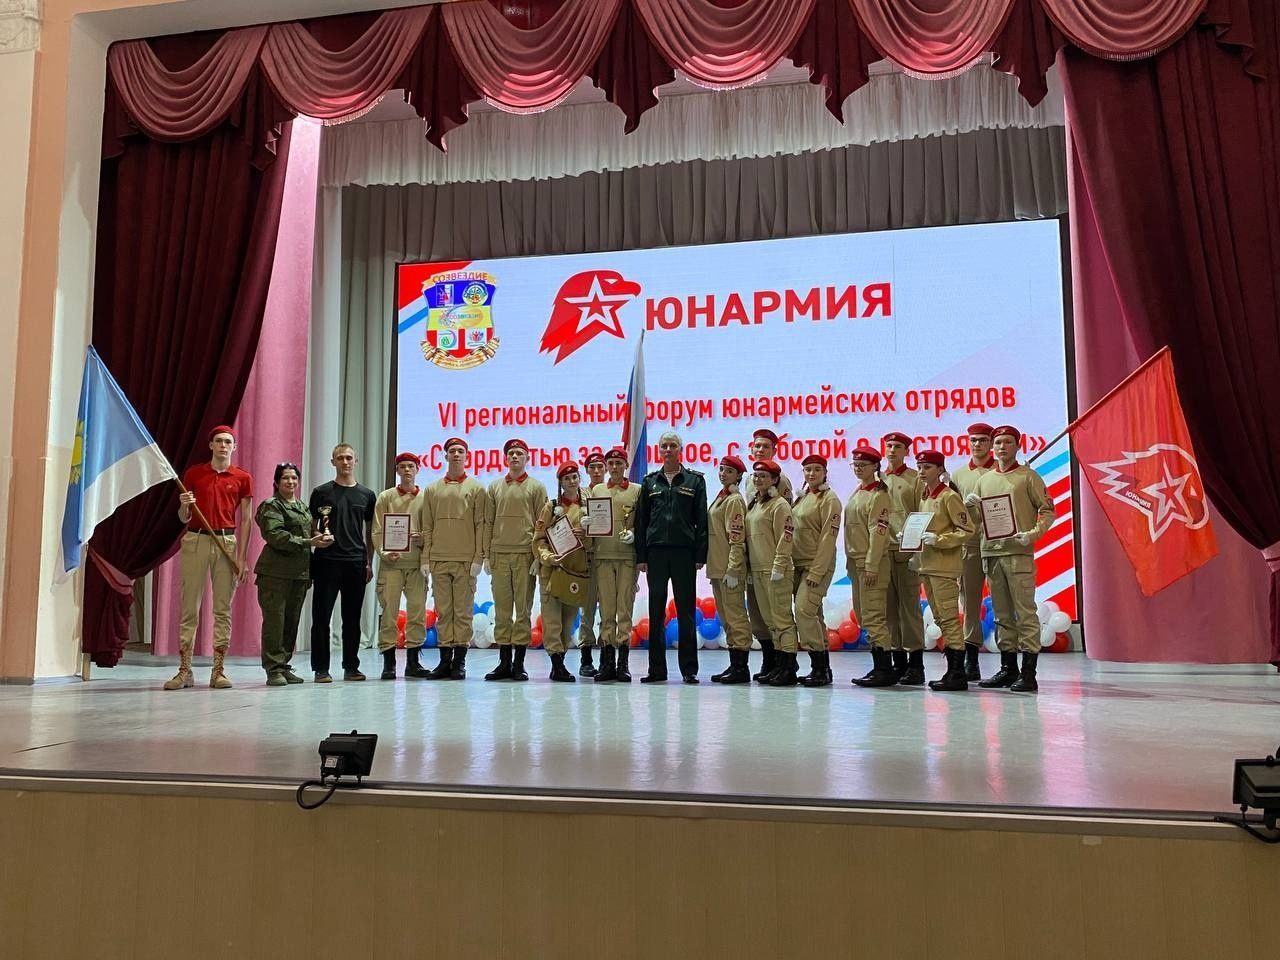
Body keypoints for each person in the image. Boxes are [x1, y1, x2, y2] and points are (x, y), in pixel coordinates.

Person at [165, 425, 253, 691]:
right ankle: (185, 670)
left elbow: (246, 519)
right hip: (196, 539)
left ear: (234, 447)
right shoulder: (194, 473)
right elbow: (184, 517)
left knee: (222, 608)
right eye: (219, 441)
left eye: (228, 442)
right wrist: (184, 504)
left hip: (226, 542)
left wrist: (242, 558)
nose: (223, 445)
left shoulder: (242, 477)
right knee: (189, 606)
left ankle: (218, 670)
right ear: (211, 445)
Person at [971, 425, 1056, 692]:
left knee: (1025, 613)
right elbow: (976, 522)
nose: (1001, 447)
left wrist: (1032, 535)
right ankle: (1008, 669)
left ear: (1018, 446)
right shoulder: (984, 480)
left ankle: (1029, 673)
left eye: (1008, 442)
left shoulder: (1028, 477)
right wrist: (970, 508)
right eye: (998, 443)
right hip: (991, 552)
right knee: (1002, 614)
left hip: (1018, 553)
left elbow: (1047, 510)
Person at [634, 431, 708, 683]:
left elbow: (702, 521)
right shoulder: (649, 482)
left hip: (684, 553)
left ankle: (689, 670)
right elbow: (641, 521)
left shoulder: (695, 481)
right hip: (655, 553)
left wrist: (700, 554)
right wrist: (641, 556)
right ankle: (656, 670)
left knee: (685, 612)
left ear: (680, 449)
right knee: (656, 612)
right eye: (664, 446)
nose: (668, 449)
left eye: (672, 445)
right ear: (659, 450)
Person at [419, 437, 488, 680]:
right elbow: (427, 526)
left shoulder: (477, 488)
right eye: (452, 451)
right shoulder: (432, 489)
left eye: (460, 451)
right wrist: (426, 558)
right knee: (444, 612)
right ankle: (444, 662)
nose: (456, 454)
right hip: (439, 559)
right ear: (445, 455)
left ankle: (459, 663)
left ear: (466, 456)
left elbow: (481, 525)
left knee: (463, 613)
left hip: (465, 561)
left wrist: (479, 558)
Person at [308, 443, 376, 682]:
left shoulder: (367, 495)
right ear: (333, 462)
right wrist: (318, 538)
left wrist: (369, 563)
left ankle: (351, 667)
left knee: (352, 619)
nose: (345, 462)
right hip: (326, 562)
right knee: (321, 618)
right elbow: (311, 525)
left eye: (349, 458)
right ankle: (321, 669)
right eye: (340, 458)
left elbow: (370, 532)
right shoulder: (321, 492)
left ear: (356, 461)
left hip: (355, 563)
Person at [912, 450, 976, 692]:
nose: (921, 471)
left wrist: (940, 539)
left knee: (948, 619)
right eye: (919, 467)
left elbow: (967, 530)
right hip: (928, 565)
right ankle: (952, 670)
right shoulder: (925, 497)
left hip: (944, 567)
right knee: (940, 618)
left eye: (927, 467)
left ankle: (957, 673)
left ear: (940, 470)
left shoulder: (949, 496)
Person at [484, 438, 547, 682]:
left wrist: (538, 556)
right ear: (505, 458)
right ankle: (504, 663)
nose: (514, 457)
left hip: (524, 556)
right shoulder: (495, 487)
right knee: (502, 611)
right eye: (511, 453)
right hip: (500, 555)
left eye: (519, 453)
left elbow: (542, 525)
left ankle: (519, 663)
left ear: (527, 457)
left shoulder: (536, 487)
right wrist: (486, 555)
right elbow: (488, 522)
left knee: (523, 610)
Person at [254, 463, 323, 685]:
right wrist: (308, 541)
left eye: (294, 478)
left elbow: (308, 531)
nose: (291, 482)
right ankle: (273, 668)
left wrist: (319, 535)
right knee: (275, 622)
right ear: (276, 482)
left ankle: (283, 665)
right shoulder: (271, 506)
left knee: (291, 623)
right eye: (285, 478)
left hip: (299, 574)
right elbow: (275, 536)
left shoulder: (302, 506)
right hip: (275, 574)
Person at [534, 460, 591, 682]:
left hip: (576, 573)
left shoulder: (588, 508)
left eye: (574, 477)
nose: (571, 481)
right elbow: (538, 540)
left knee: (568, 624)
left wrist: (587, 534)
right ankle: (557, 665)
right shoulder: (551, 507)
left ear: (579, 478)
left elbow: (596, 541)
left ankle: (560, 661)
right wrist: (548, 558)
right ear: (561, 482)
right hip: (553, 572)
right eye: (567, 478)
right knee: (552, 621)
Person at [373, 452, 428, 680]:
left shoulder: (426, 498)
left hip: (416, 565)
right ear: (397, 470)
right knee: (389, 614)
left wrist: (422, 539)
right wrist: (384, 552)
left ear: (417, 470)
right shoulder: (385, 497)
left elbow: (430, 530)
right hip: (391, 565)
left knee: (417, 612)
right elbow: (377, 530)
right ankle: (389, 663)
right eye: (403, 466)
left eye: (411, 466)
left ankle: (413, 663)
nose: (407, 470)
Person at [587, 447, 640, 683]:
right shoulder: (597, 490)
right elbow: (591, 521)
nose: (615, 467)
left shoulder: (636, 490)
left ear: (626, 465)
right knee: (606, 610)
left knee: (624, 609)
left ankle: (623, 663)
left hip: (627, 557)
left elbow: (643, 521)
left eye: (619, 463)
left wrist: (634, 534)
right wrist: (586, 522)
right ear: (606, 466)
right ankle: (607, 661)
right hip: (603, 556)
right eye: (611, 463)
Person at [845, 447, 896, 687]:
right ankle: (878, 666)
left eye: (863, 465)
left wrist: (871, 565)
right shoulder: (859, 491)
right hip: (856, 562)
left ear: (875, 466)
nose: (858, 468)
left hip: (870, 562)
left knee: (874, 616)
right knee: (865, 615)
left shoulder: (878, 495)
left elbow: (879, 532)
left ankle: (884, 669)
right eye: (855, 464)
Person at [744, 428, 792, 679]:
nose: (760, 450)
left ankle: (785, 665)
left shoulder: (780, 482)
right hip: (754, 560)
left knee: (778, 615)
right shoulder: (749, 481)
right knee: (759, 616)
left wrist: (779, 562)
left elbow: (785, 525)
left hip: (771, 560)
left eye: (765, 446)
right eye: (757, 446)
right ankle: (770, 661)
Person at [790, 454, 842, 687]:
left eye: (817, 470)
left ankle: (819, 667)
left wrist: (817, 572)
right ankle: (822, 669)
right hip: (798, 564)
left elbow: (828, 539)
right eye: (808, 469)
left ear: (825, 473)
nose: (811, 474)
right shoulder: (802, 498)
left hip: (816, 565)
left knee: (803, 611)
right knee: (813, 614)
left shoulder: (829, 499)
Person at [951, 422, 996, 680]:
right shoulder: (959, 475)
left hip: (997, 544)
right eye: (973, 440)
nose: (977, 444)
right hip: (969, 545)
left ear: (990, 444)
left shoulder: (1001, 471)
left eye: (982, 440)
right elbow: (951, 511)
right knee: (969, 602)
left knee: (1002, 601)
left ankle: (1010, 661)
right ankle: (971, 658)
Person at [882, 430, 926, 685]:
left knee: (909, 609)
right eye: (889, 446)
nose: (892, 450)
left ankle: (916, 664)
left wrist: (916, 551)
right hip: (883, 552)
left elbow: (921, 514)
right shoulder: (877, 479)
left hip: (907, 551)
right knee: (888, 611)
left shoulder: (915, 479)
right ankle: (897, 661)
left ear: (906, 451)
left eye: (898, 446)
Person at [707, 455, 751, 684]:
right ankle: (734, 664)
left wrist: (733, 569)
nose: (723, 474)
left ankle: (741, 667)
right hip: (717, 566)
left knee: (736, 617)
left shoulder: (734, 500)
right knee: (726, 618)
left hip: (728, 568)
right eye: (722, 469)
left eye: (729, 471)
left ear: (739, 476)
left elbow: (737, 538)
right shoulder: (722, 496)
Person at [576, 450, 607, 676]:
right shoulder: (580, 494)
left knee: (608, 609)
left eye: (600, 467)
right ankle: (585, 659)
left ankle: (607, 657)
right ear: (587, 471)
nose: (596, 471)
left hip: (607, 556)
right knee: (587, 611)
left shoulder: (611, 491)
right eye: (592, 468)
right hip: (586, 557)